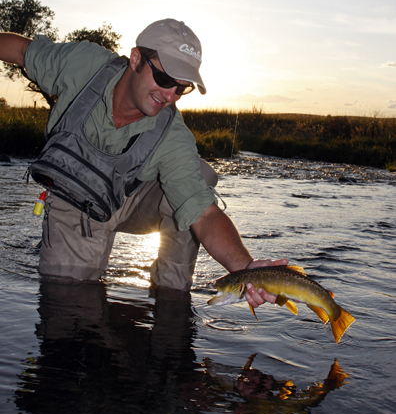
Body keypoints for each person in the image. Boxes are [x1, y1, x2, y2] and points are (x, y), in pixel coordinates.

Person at [0, 18, 287, 310]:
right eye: (164, 80)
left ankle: (170, 301)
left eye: (181, 88)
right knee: (67, 301)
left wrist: (246, 268)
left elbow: (202, 213)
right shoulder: (84, 64)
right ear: (136, 59)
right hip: (76, 201)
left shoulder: (172, 134)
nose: (169, 96)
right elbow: (23, 52)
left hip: (133, 201)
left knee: (200, 175)